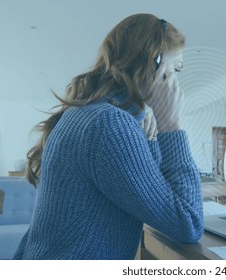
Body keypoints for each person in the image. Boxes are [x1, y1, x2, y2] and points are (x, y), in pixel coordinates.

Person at [13, 14, 204, 259]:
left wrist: (152, 133)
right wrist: (173, 127)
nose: (176, 82)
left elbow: (152, 193)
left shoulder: (91, 112)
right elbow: (188, 223)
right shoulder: (110, 124)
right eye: (174, 70)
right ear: (153, 62)